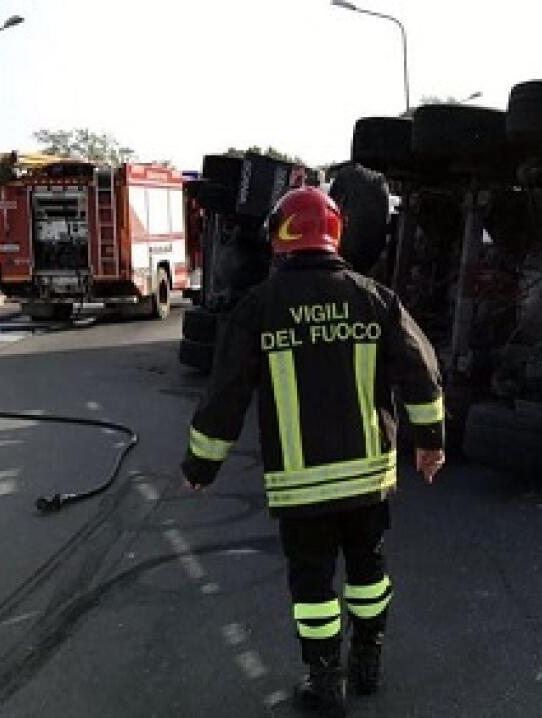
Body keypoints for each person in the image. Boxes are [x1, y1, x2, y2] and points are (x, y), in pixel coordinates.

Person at [181, 186, 445, 716]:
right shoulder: (374, 298)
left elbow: (225, 392)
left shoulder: (258, 308)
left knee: (312, 581)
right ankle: (368, 661)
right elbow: (421, 373)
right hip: (368, 478)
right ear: (335, 234)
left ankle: (325, 679)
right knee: (368, 569)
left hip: (301, 485)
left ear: (278, 236)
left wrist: (202, 465)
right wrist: (430, 444)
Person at [327, 161, 391, 278]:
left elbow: (330, 210)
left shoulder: (347, 176)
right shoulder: (379, 181)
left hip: (345, 257)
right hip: (366, 260)